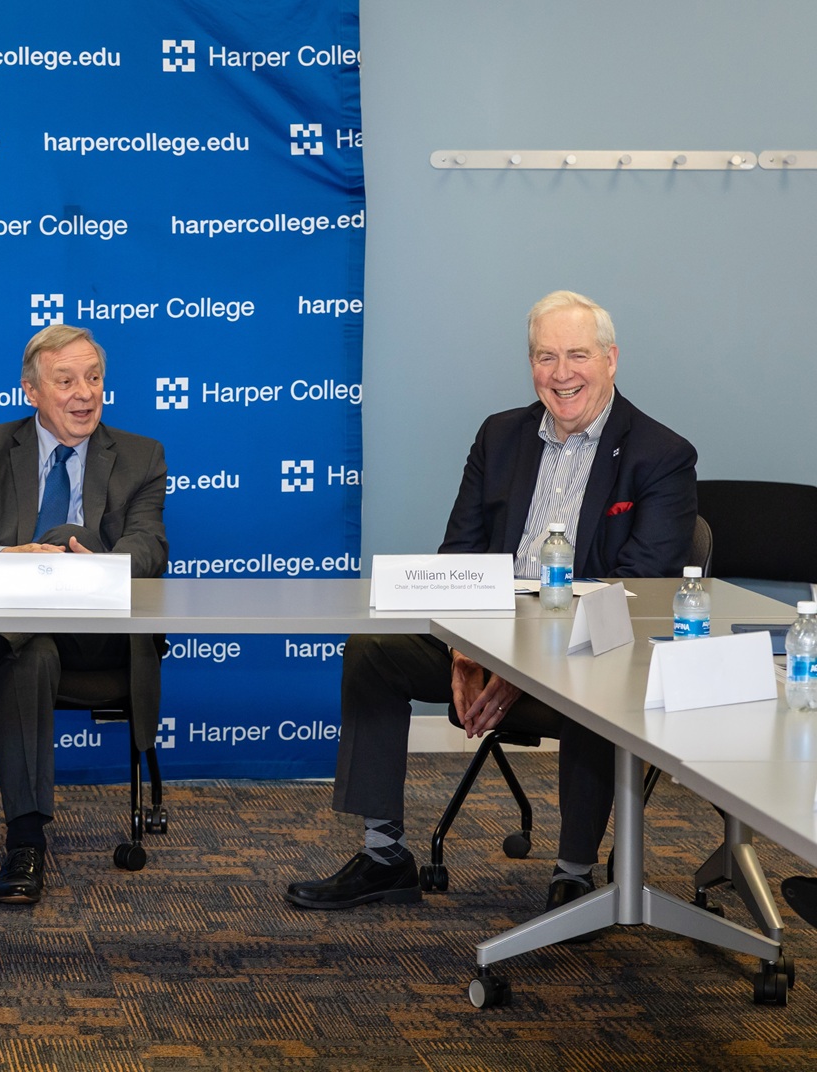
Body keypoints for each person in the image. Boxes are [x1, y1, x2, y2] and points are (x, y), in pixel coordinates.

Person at [285, 291, 697, 922]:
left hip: (586, 653)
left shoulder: (662, 456)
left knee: (599, 680)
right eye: (545, 356)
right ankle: (383, 854)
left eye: (578, 355)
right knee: (374, 651)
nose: (562, 374)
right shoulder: (500, 435)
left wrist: (515, 664)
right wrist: (465, 650)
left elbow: (633, 594)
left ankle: (576, 876)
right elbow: (459, 557)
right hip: (486, 636)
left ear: (611, 360)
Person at [0, 324, 168, 905]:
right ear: (31, 390)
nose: (85, 393)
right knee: (29, 654)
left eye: (94, 378)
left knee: (65, 534)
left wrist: (86, 566)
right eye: (67, 380)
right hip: (25, 638)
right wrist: (5, 557)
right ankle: (26, 842)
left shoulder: (142, 456)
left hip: (99, 634)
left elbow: (148, 546)